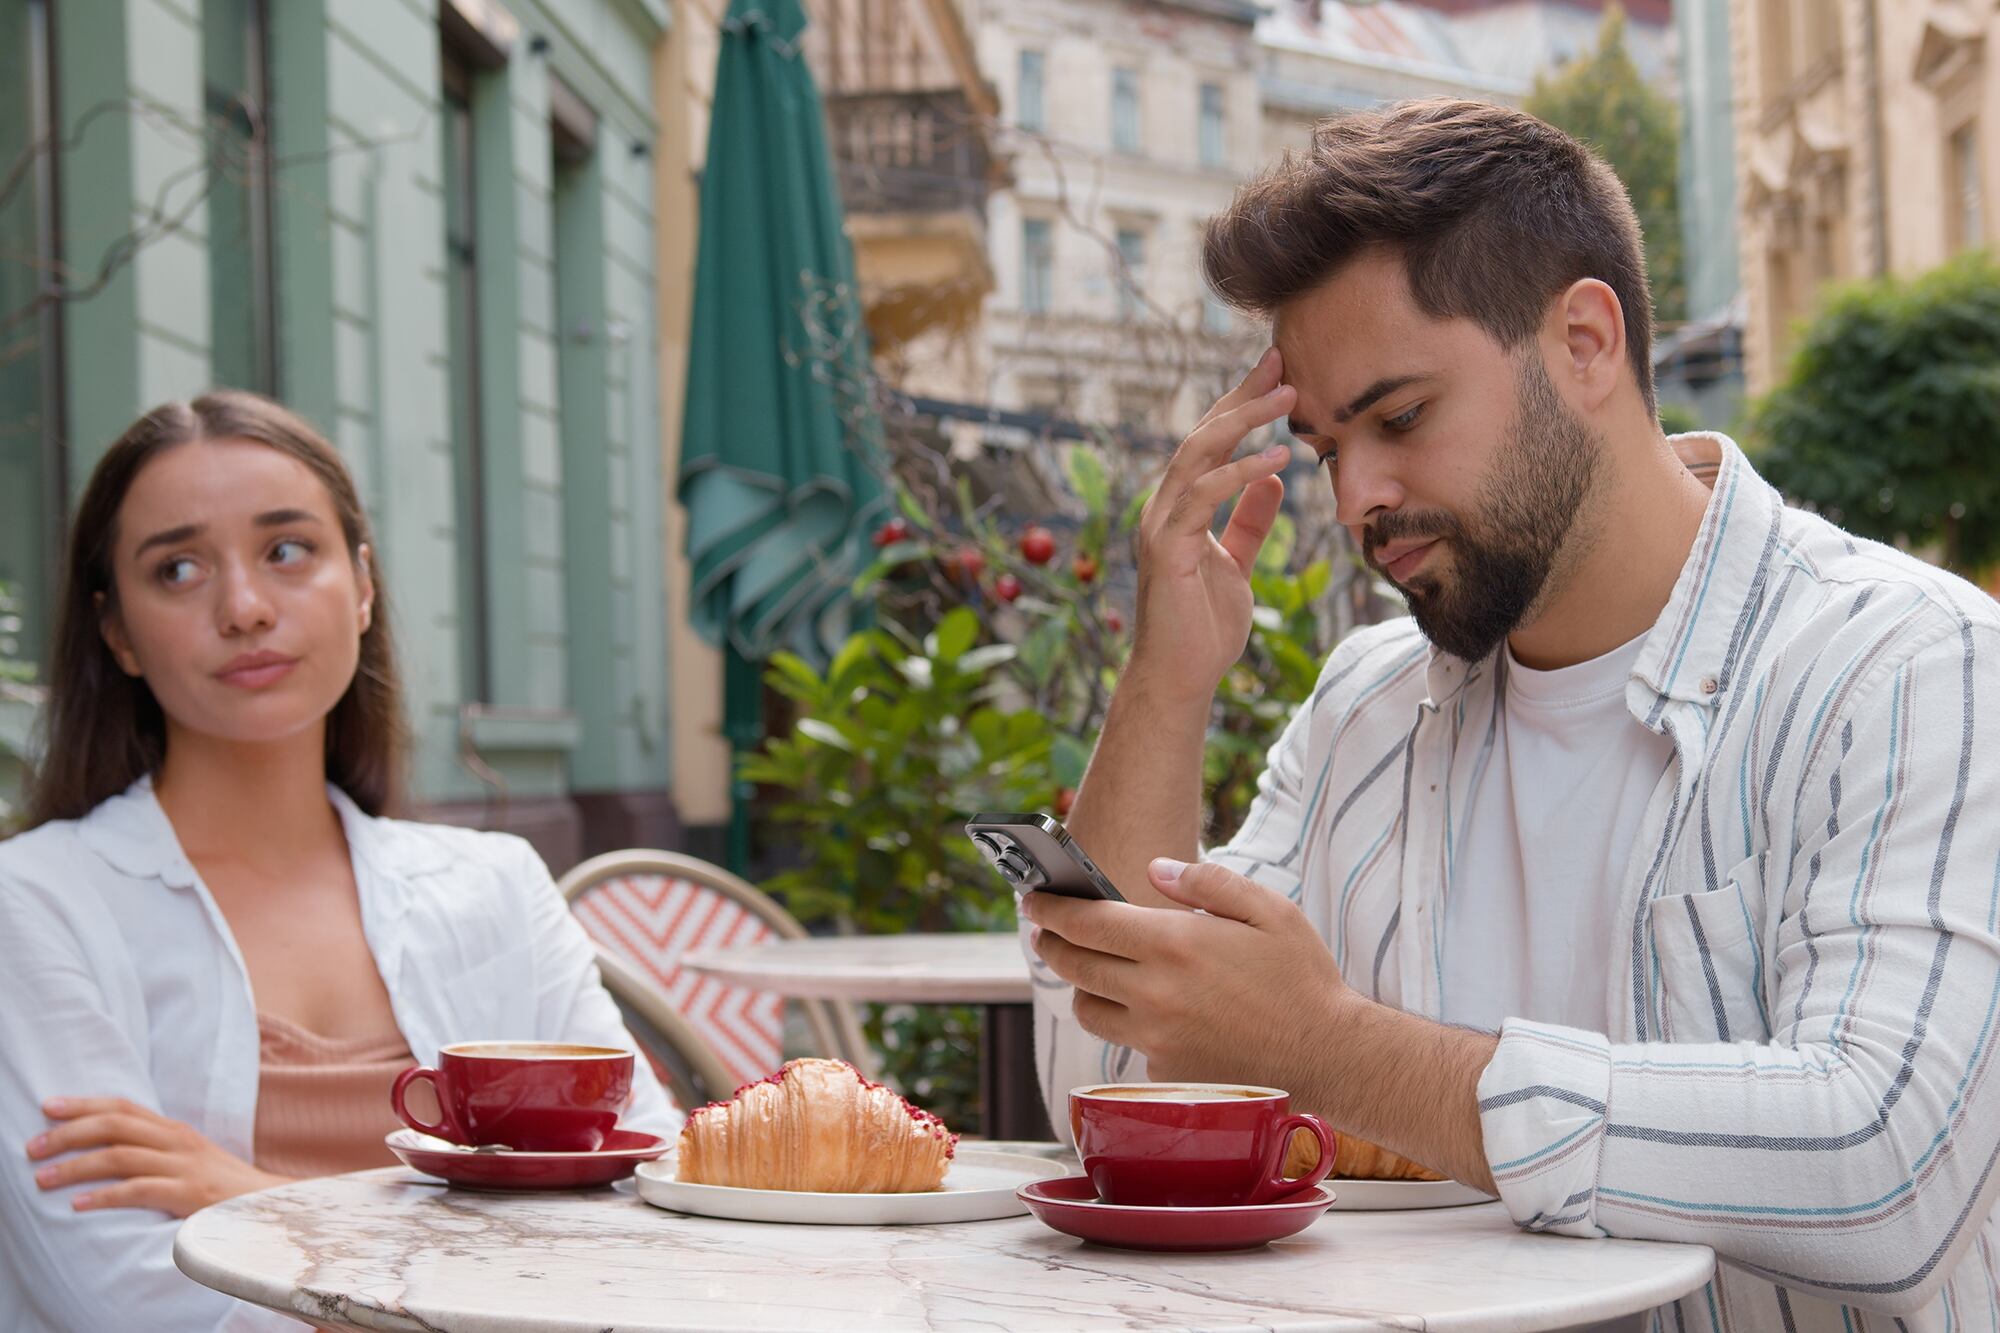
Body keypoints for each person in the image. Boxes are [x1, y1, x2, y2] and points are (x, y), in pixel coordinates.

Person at [1023, 99, 2000, 1327]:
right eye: (1324, 446)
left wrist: (1333, 1048)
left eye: (1400, 417)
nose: (1357, 497)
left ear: (1584, 343)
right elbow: (1118, 1095)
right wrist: (1165, 681)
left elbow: (1885, 1174)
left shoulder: (1905, 666)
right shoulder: (1362, 709)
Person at [0, 391, 680, 1332]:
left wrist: (254, 1197)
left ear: (362, 583)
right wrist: (482, 1276)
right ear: (116, 629)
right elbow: (126, 1303)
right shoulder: (37, 904)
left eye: (287, 550)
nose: (243, 607)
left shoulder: (497, 888)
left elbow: (657, 1217)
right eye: (179, 568)